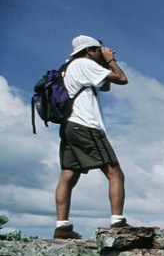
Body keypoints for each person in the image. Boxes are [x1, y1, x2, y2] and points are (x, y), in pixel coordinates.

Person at [53, 35, 129, 239]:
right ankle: (118, 222)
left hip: (69, 126)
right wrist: (111, 61)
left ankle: (62, 227)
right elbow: (122, 79)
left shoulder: (70, 67)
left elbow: (104, 85)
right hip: (86, 125)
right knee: (115, 173)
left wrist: (103, 63)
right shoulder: (84, 63)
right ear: (89, 50)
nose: (102, 52)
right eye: (99, 49)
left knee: (68, 176)